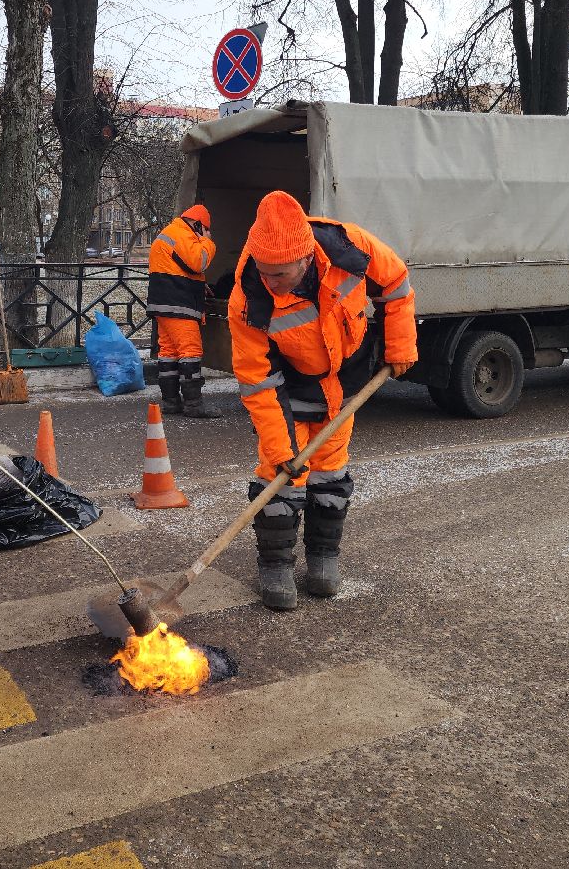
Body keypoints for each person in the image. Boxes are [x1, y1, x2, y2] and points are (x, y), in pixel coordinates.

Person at [229, 190, 418, 611]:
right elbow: (258, 381)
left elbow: (396, 283)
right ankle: (276, 565)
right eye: (263, 271)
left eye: (279, 275)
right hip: (287, 391)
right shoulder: (248, 298)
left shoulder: (349, 248)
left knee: (330, 474)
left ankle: (323, 557)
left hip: (344, 382)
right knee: (280, 474)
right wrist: (283, 451)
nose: (269, 281)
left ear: (306, 258)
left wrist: (400, 344)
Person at [147, 204, 222, 419]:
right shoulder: (182, 234)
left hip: (163, 304)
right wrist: (207, 241)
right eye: (205, 229)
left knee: (169, 353)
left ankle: (170, 402)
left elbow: (180, 267)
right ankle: (193, 404)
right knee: (190, 351)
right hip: (178, 305)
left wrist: (199, 285)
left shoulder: (169, 233)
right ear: (198, 224)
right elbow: (199, 262)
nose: (206, 234)